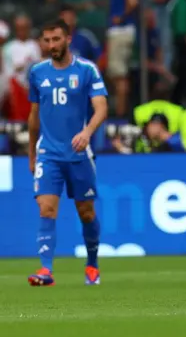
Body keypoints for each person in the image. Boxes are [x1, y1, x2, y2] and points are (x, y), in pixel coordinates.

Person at [26, 19, 108, 287]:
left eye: (56, 39)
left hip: (78, 154)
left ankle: (93, 264)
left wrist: (87, 133)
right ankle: (46, 271)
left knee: (86, 212)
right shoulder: (37, 72)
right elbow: (34, 116)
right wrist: (31, 153)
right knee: (46, 208)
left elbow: (101, 108)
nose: (52, 45)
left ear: (68, 39)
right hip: (48, 153)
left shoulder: (86, 70)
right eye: (47, 40)